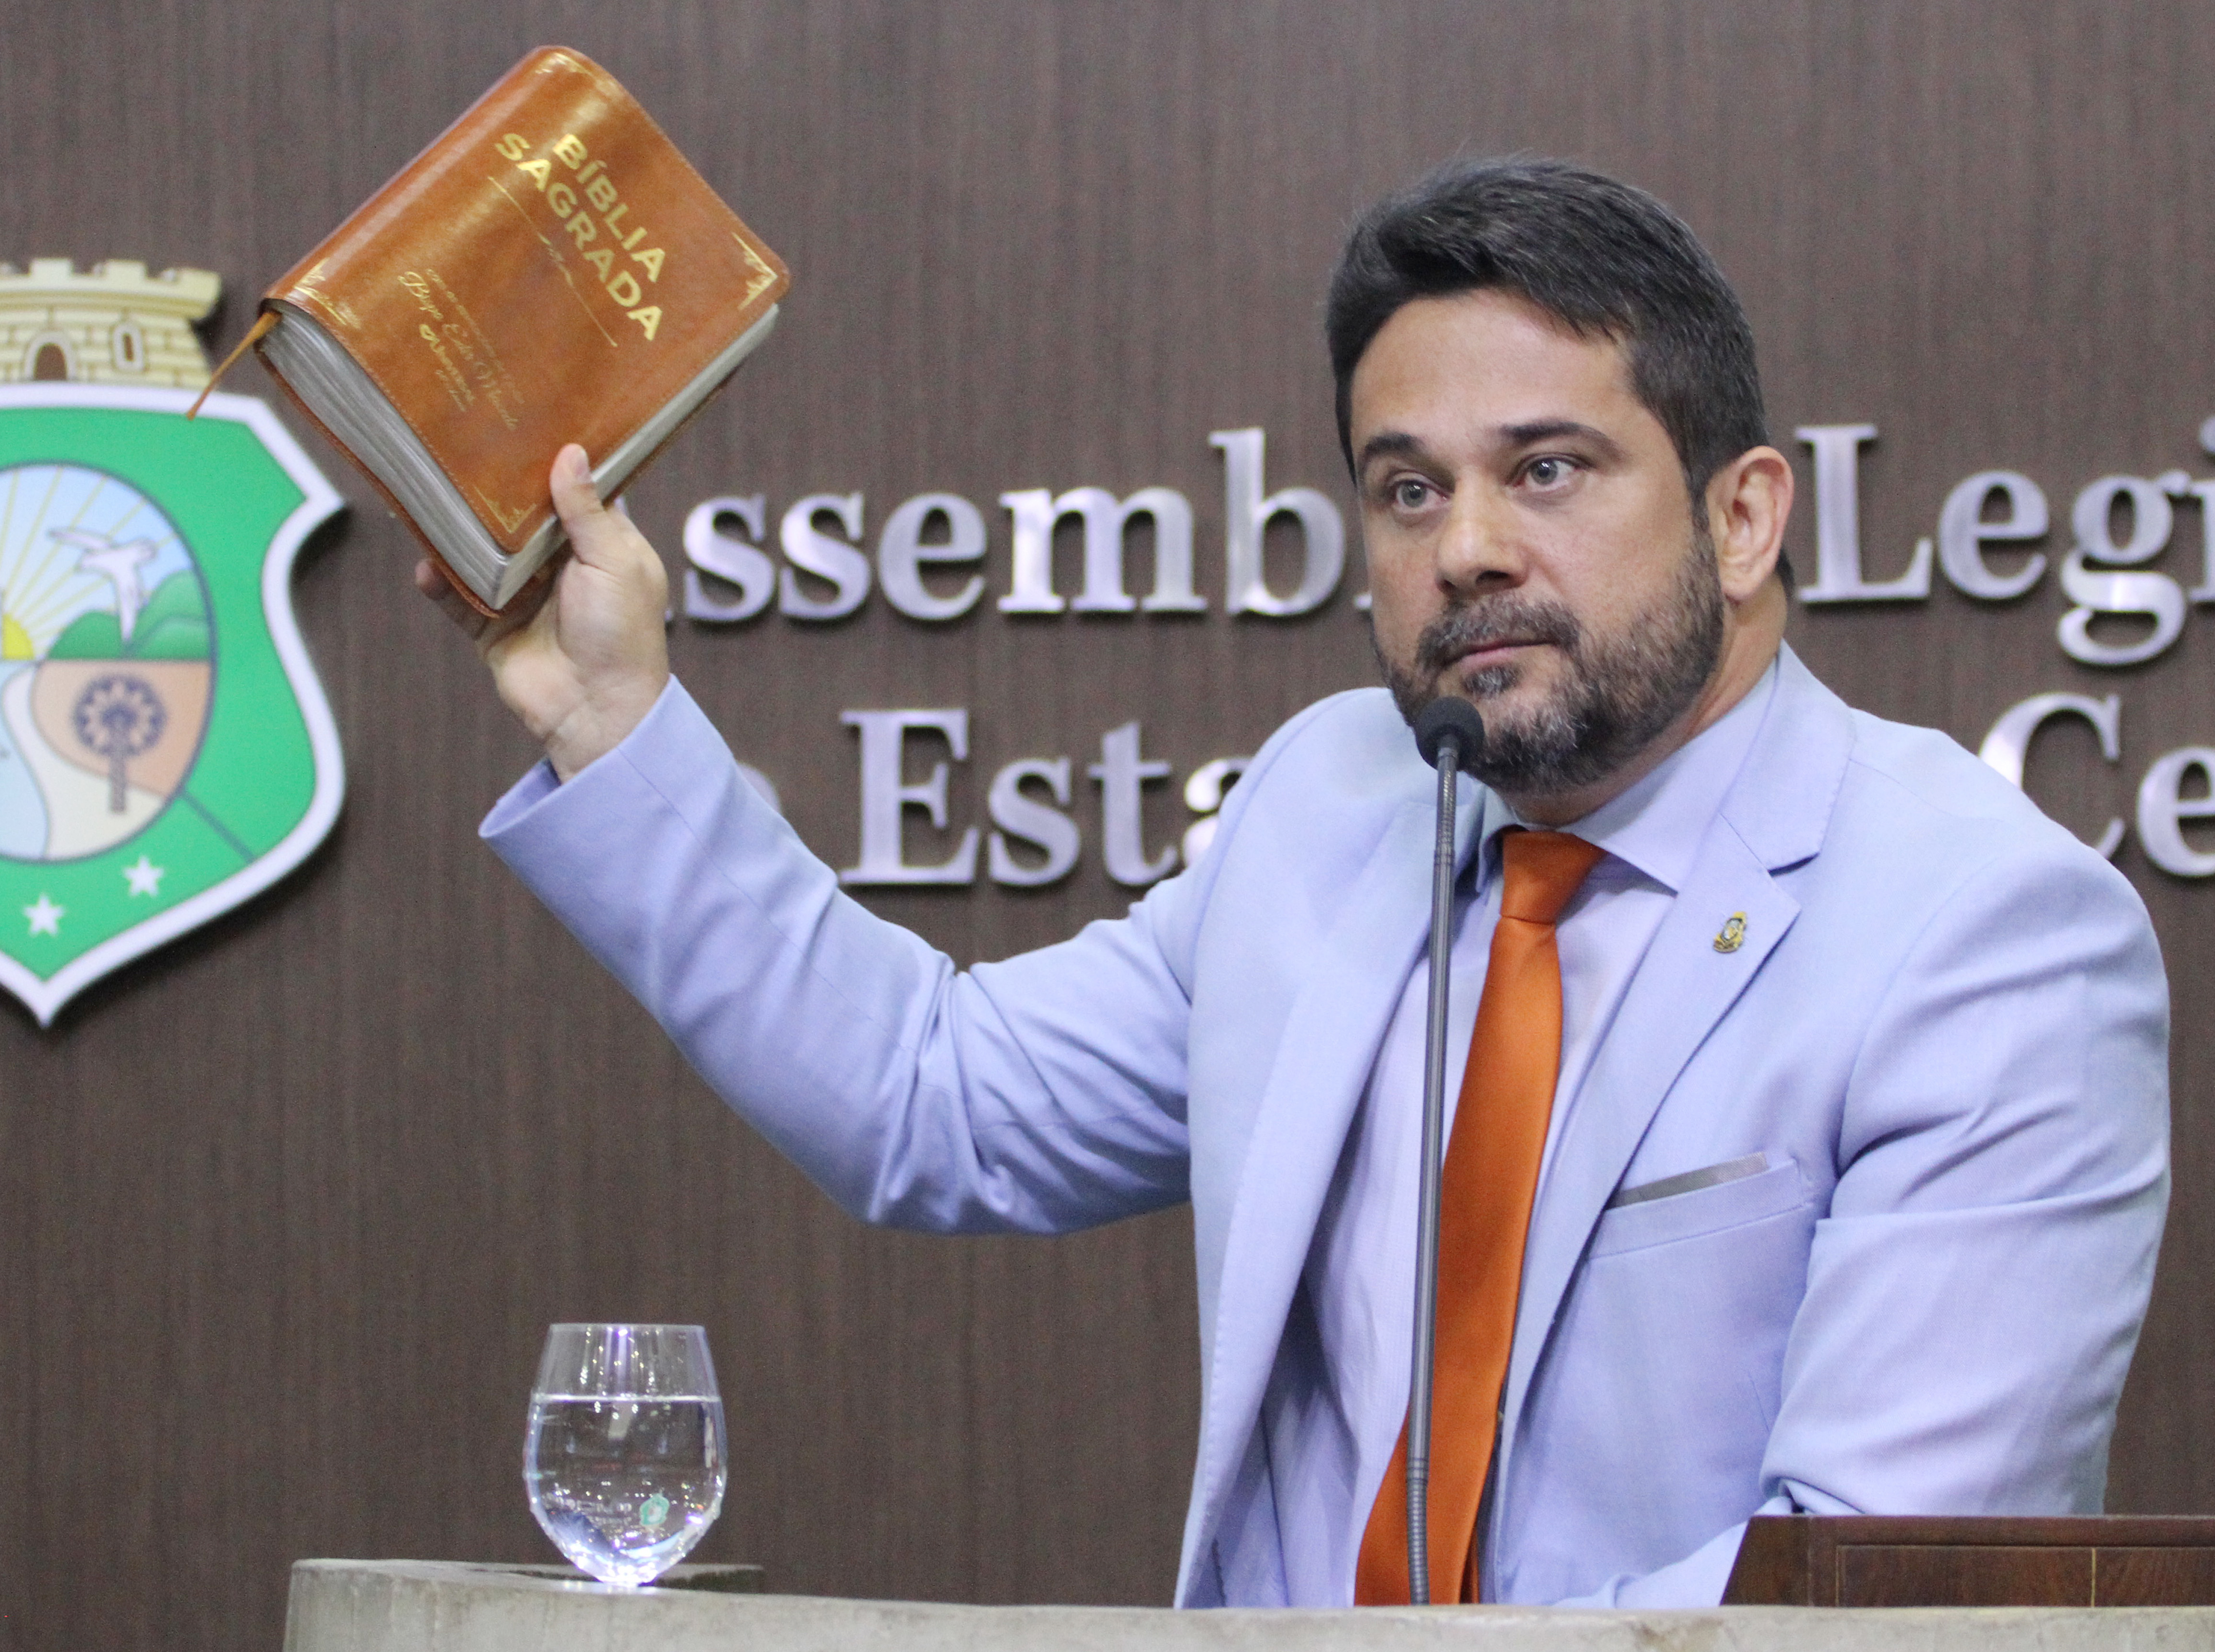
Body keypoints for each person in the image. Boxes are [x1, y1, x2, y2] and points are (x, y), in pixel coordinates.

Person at [425, 159, 2170, 1609]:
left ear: (1744, 517)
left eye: (1546, 470)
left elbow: (1857, 1589)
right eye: (1407, 490)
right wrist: (609, 721)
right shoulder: (1333, 806)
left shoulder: (1982, 929)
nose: (1465, 548)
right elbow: (931, 1099)